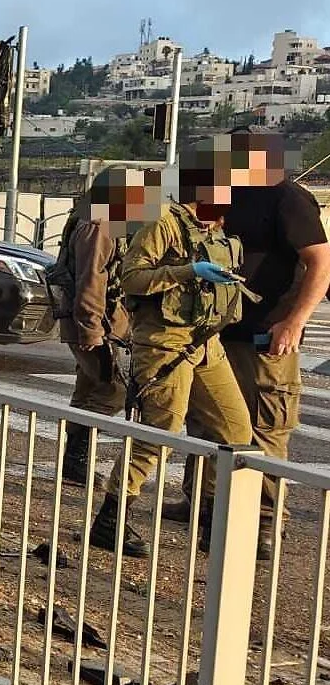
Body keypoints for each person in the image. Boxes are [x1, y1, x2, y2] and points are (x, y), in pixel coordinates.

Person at [101, 138, 255, 558]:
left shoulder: (215, 228)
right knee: (159, 435)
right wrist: (187, 271)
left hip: (206, 342)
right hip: (165, 344)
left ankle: (210, 521)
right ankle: (111, 519)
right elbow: (131, 279)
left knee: (235, 429)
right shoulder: (163, 222)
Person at [211, 130, 330, 551]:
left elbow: (320, 263)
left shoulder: (288, 198)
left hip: (268, 334)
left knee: (265, 428)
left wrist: (294, 321)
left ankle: (264, 520)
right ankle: (204, 504)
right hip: (220, 332)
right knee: (210, 423)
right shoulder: (223, 193)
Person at [49, 168, 152, 482]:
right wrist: (91, 328)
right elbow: (91, 280)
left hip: (95, 320)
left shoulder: (99, 220)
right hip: (97, 322)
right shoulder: (100, 227)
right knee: (113, 391)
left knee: (88, 389)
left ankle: (73, 461)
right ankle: (78, 460)